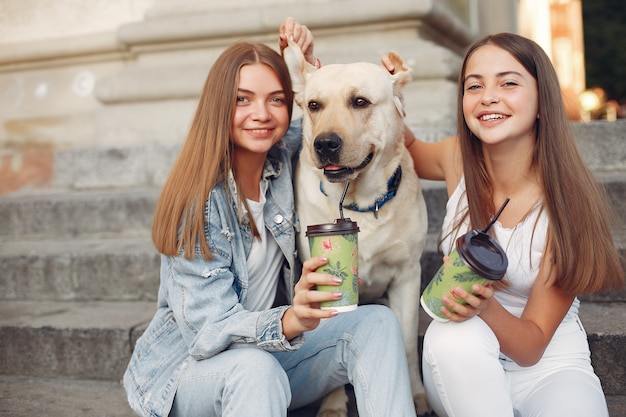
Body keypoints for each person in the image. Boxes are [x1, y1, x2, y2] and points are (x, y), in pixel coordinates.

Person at [123, 17, 417, 417]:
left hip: (272, 358)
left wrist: (312, 69)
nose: (260, 113)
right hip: (187, 376)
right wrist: (290, 320)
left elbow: (333, 129)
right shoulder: (198, 202)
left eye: (275, 99)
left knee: (379, 323)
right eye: (242, 99)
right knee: (254, 367)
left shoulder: (282, 161)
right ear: (218, 107)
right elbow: (207, 333)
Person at [400, 33, 624, 417]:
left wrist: (482, 303)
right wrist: (383, 92)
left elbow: (532, 345)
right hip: (460, 365)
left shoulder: (568, 201)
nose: (488, 96)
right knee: (455, 332)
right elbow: (407, 148)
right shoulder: (457, 159)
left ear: (541, 102)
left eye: (508, 82)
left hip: (546, 364)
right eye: (475, 86)